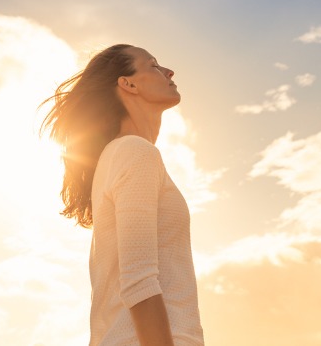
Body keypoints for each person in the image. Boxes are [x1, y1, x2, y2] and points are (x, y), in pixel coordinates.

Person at [40, 44, 204, 346]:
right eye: (153, 64)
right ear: (127, 83)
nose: (169, 71)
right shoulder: (134, 151)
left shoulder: (119, 155)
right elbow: (138, 280)